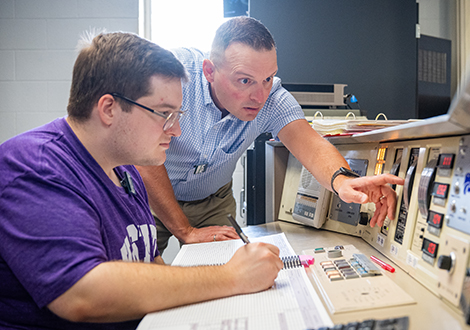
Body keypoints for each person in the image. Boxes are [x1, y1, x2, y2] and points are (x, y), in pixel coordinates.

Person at [0, 32, 283, 329]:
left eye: (178, 115)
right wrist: (231, 276)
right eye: (164, 114)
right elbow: (83, 293)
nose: (176, 131)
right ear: (109, 108)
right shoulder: (35, 167)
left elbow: (150, 266)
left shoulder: (125, 171)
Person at [137, 17, 405, 254]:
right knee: (139, 280)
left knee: (225, 277)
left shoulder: (273, 99)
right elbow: (142, 156)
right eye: (245, 81)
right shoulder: (174, 75)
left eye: (268, 79)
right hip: (149, 193)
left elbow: (310, 143)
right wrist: (185, 230)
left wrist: (343, 181)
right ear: (209, 71)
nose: (259, 96)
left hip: (212, 201)